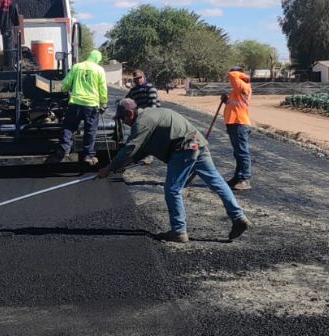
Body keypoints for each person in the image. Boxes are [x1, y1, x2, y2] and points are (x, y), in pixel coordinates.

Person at [98, 99, 249, 243]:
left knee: (172, 190)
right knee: (217, 181)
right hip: (198, 144)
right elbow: (142, 150)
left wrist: (109, 168)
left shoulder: (142, 121)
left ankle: (178, 231)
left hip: (184, 149)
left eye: (123, 119)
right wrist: (119, 166)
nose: (124, 123)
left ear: (130, 114)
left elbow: (130, 147)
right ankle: (238, 217)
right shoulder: (151, 115)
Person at [55, 49, 108, 167]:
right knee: (90, 130)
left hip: (75, 103)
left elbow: (66, 83)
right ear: (97, 59)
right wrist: (103, 103)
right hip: (91, 105)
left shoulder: (77, 67)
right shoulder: (99, 70)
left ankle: (64, 149)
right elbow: (103, 88)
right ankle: (88, 155)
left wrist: (64, 90)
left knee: (69, 126)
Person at [225, 66, 253, 190]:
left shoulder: (244, 86)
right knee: (238, 153)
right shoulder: (238, 89)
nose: (230, 77)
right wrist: (226, 101)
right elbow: (235, 106)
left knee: (242, 152)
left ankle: (245, 179)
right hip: (234, 123)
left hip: (240, 124)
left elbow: (232, 75)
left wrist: (240, 74)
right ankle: (238, 177)